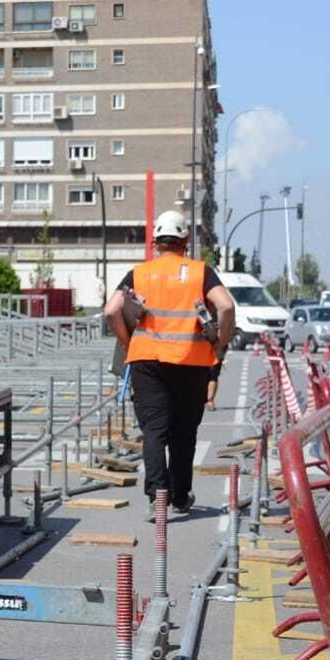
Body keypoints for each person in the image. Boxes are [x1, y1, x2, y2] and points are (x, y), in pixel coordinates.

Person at [105, 211, 236, 522]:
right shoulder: (200, 272)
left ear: (155, 242)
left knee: (154, 432)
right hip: (191, 362)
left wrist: (128, 342)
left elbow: (111, 310)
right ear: (185, 241)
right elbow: (226, 305)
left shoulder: (139, 273)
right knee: (183, 433)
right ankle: (179, 496)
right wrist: (219, 342)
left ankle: (157, 498)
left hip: (147, 362)